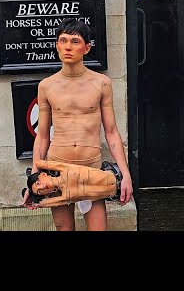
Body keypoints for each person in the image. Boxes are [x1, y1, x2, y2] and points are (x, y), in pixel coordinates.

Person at [22, 18, 133, 230]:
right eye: (62, 40)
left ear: (87, 47)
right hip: (57, 170)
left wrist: (125, 174)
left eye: (75, 41)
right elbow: (42, 136)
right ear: (56, 45)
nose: (67, 46)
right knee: (64, 228)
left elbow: (111, 132)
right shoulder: (46, 86)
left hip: (90, 169)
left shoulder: (101, 83)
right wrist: (34, 177)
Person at [23, 159, 122, 207]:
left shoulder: (63, 169)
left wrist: (30, 184)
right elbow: (42, 204)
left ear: (43, 175)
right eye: (40, 192)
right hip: (117, 194)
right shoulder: (65, 196)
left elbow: (38, 163)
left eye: (38, 183)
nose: (43, 187)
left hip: (116, 173)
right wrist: (32, 197)